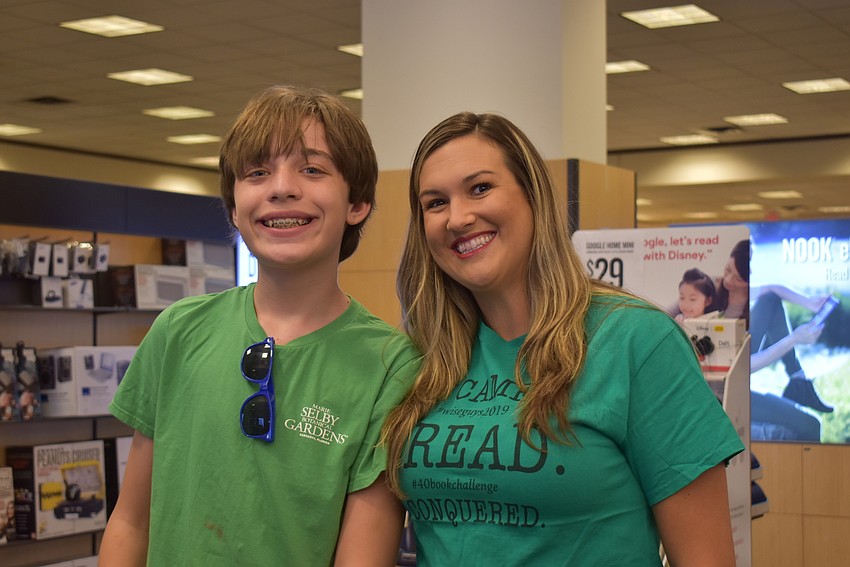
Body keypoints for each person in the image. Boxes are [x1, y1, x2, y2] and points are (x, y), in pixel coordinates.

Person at [380, 112, 744, 566]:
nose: (458, 218)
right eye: (435, 203)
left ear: (532, 197)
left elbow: (705, 558)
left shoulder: (636, 339)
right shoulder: (423, 357)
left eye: (480, 188)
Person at [99, 85, 420, 566]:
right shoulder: (179, 331)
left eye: (312, 169)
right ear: (233, 206)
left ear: (358, 203)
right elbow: (131, 522)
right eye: (257, 173)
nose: (281, 188)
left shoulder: (390, 366)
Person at [750, 285, 833, 412]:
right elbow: (745, 366)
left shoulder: (737, 290)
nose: (749, 271)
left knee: (770, 299)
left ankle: (798, 379)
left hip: (743, 352)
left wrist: (810, 302)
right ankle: (799, 382)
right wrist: (794, 338)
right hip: (740, 365)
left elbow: (771, 288)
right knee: (769, 300)